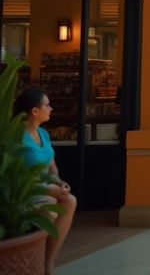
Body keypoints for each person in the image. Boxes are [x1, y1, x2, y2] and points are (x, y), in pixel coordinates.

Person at [16, 89, 76, 275]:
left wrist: (59, 182)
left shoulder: (44, 134)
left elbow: (52, 167)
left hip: (45, 188)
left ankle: (48, 262)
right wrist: (46, 189)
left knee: (70, 201)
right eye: (47, 105)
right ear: (35, 111)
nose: (51, 108)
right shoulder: (16, 136)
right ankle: (35, 262)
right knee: (50, 206)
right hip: (25, 191)